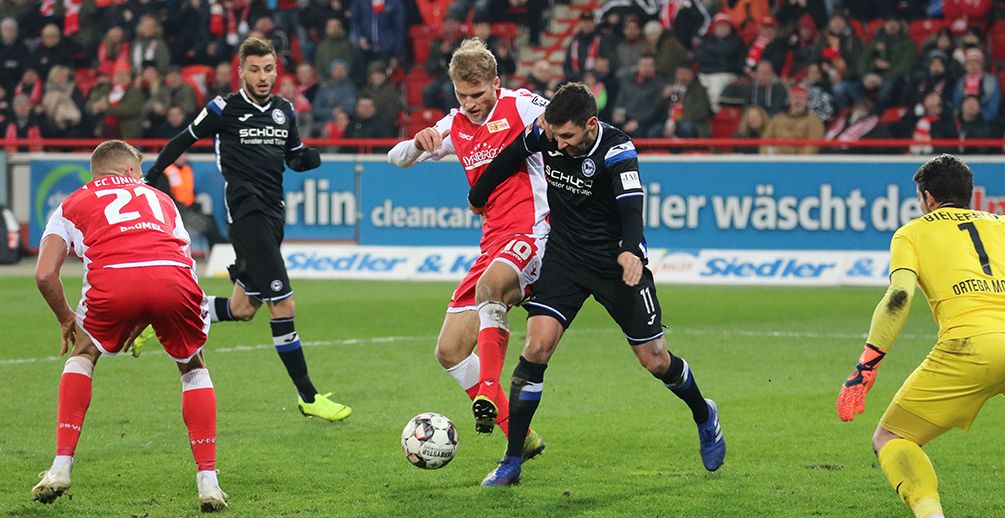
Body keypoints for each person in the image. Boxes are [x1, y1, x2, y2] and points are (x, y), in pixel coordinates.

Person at [467, 83, 726, 487]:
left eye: (568, 135)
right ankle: (512, 459)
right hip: (565, 258)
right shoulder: (546, 133)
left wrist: (631, 251)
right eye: (555, 134)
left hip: (614, 264)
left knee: (656, 360)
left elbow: (631, 207)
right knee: (536, 347)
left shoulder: (617, 150)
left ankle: (704, 414)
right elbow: (509, 156)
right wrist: (479, 193)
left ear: (591, 125)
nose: (559, 142)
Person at [140, 36, 352, 422]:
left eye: (269, 68)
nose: (263, 76)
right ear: (242, 72)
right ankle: (308, 395)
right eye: (255, 69)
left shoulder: (284, 110)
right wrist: (151, 175)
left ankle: (162, 316)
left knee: (241, 309)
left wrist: (309, 159)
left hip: (273, 215)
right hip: (246, 214)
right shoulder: (223, 108)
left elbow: (292, 157)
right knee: (283, 304)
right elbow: (183, 138)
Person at [836, 154, 1005, 518]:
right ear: (967, 194)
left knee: (891, 437)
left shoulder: (912, 232)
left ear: (927, 197)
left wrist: (867, 364)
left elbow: (899, 296)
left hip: (970, 345)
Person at [32, 140, 227, 512]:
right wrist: (153, 311)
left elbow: (44, 274)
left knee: (84, 353)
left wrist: (66, 318)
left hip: (114, 283)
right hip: (174, 280)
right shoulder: (162, 200)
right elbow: (179, 259)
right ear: (129, 171)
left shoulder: (71, 204)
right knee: (192, 365)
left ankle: (60, 468)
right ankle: (208, 482)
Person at [386, 38, 547, 456]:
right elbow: (396, 158)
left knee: (491, 288)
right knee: (450, 350)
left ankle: (490, 392)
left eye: (479, 94)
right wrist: (418, 142)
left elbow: (565, 121)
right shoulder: (454, 123)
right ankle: (520, 434)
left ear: (496, 82)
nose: (472, 103)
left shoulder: (522, 105)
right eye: (463, 95)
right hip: (493, 241)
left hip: (534, 233)